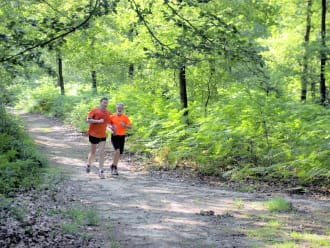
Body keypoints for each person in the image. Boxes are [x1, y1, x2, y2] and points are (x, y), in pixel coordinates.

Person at [86, 97, 111, 179]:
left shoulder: (108, 112)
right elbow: (88, 120)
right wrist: (98, 121)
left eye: (106, 103)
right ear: (100, 103)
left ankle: (101, 171)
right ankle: (89, 164)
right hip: (93, 134)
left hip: (103, 135)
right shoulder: (95, 110)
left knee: (101, 153)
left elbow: (107, 124)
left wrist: (111, 129)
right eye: (104, 102)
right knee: (93, 152)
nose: (105, 104)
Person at [109, 102, 131, 175]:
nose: (119, 109)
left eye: (121, 108)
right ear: (116, 108)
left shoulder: (125, 117)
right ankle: (114, 167)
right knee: (117, 151)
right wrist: (111, 129)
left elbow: (130, 127)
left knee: (120, 155)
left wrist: (125, 125)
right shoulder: (112, 117)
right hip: (114, 136)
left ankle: (113, 165)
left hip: (122, 136)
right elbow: (107, 126)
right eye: (118, 107)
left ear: (122, 109)